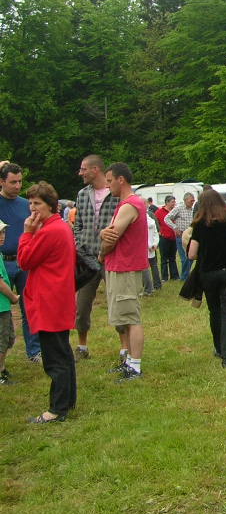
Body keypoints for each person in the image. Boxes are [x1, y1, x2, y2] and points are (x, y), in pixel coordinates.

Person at [17, 181, 77, 422]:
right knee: (62, 353)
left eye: (37, 203)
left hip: (49, 299)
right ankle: (67, 402)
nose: (32, 209)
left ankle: (56, 409)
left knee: (54, 357)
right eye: (30, 203)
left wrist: (27, 233)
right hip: (57, 297)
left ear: (51, 205)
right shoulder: (60, 227)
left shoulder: (50, 231)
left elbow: (24, 260)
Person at [99, 163, 148, 381]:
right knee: (124, 317)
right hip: (119, 266)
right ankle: (128, 360)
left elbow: (112, 236)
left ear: (121, 180)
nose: (107, 185)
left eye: (109, 180)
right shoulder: (126, 205)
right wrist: (103, 233)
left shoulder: (131, 204)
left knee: (131, 316)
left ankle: (135, 365)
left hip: (125, 267)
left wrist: (102, 250)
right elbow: (108, 233)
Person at [187, 189, 226, 367]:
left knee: (215, 310)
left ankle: (219, 348)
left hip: (208, 274)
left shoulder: (199, 224)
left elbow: (191, 255)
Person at [71, 154, 119, 361]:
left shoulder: (115, 193)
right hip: (87, 258)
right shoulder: (82, 194)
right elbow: (78, 223)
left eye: (83, 169)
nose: (80, 173)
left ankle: (125, 348)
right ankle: (82, 347)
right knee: (81, 306)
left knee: (117, 303)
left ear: (95, 169)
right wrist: (79, 242)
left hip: (111, 256)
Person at [0, 162, 42, 363]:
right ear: (2, 182)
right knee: (2, 312)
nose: (17, 186)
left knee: (30, 308)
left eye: (20, 181)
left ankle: (34, 351)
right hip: (2, 264)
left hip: (24, 263)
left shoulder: (26, 204)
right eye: (12, 182)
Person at [0, 221, 21, 384]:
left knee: (8, 338)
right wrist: (13, 297)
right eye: (0, 233)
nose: (2, 236)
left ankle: (2, 368)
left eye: (3, 232)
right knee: (2, 340)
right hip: (1, 306)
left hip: (4, 306)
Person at [167, 192, 196, 282]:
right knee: (184, 258)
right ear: (185, 200)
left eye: (193, 200)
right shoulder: (179, 208)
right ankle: (184, 277)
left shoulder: (193, 210)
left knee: (190, 257)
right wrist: (175, 228)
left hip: (190, 236)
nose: (193, 202)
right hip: (181, 236)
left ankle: (185, 276)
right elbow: (167, 218)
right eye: (191, 200)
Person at [155, 195, 179, 281]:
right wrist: (159, 232)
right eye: (172, 202)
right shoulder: (159, 212)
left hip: (173, 237)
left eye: (174, 202)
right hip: (164, 238)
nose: (174, 204)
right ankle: (164, 277)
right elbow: (155, 223)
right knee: (164, 258)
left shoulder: (175, 211)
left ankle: (175, 276)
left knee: (172, 257)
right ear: (167, 202)